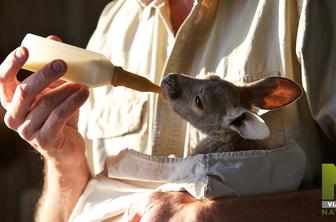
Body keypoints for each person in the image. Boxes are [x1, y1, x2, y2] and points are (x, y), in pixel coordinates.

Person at [0, 0, 335, 221]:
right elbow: (62, 216)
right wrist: (63, 160)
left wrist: (214, 216)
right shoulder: (114, 24)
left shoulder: (303, 10)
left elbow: (331, 194)